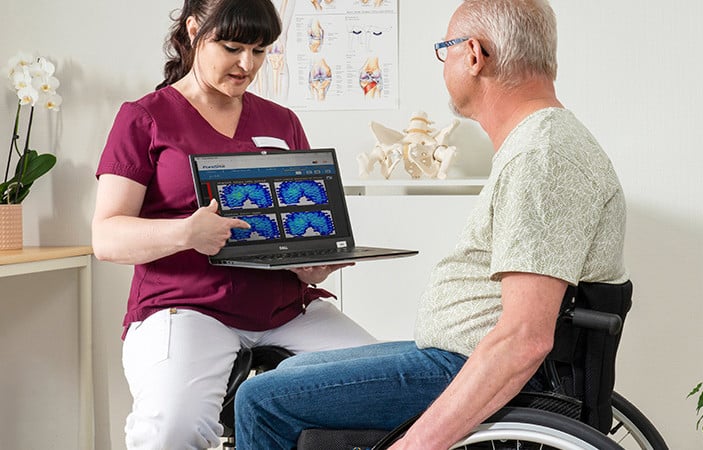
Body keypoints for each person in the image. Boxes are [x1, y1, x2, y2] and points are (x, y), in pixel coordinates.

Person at [233, 0, 628, 449]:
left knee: (260, 400)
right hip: (460, 354)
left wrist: (416, 444)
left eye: (446, 48)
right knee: (290, 371)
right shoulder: (541, 142)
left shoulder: (542, 155)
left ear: (474, 55)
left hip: (476, 368)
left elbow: (524, 340)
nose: (444, 64)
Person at [91, 0, 377, 448]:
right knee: (172, 431)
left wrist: (314, 262)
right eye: (232, 47)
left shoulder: (282, 122)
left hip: (287, 309)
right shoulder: (145, 118)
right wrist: (186, 232)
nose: (247, 64)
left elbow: (303, 221)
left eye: (260, 51)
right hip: (187, 308)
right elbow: (106, 237)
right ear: (192, 31)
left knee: (392, 387)